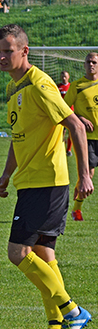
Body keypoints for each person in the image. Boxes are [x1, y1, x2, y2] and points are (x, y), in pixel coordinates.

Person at [0, 24, 92, 329]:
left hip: (46, 182)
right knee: (43, 254)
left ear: (24, 51)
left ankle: (71, 310)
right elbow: (17, 140)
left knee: (17, 252)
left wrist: (86, 176)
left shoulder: (39, 84)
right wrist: (7, 175)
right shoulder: (14, 88)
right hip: (31, 181)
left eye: (8, 51)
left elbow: (75, 125)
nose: (2, 57)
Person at [64, 52, 98, 221]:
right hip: (87, 139)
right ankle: (76, 209)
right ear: (84, 65)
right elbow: (64, 109)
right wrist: (79, 118)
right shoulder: (77, 86)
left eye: (94, 62)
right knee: (88, 174)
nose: (91, 65)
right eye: (88, 62)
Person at [58, 71, 73, 157]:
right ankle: (60, 148)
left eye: (65, 76)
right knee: (61, 133)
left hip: (70, 113)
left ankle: (69, 150)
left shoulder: (71, 87)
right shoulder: (58, 87)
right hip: (61, 114)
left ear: (68, 77)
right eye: (62, 76)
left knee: (71, 132)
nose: (64, 78)